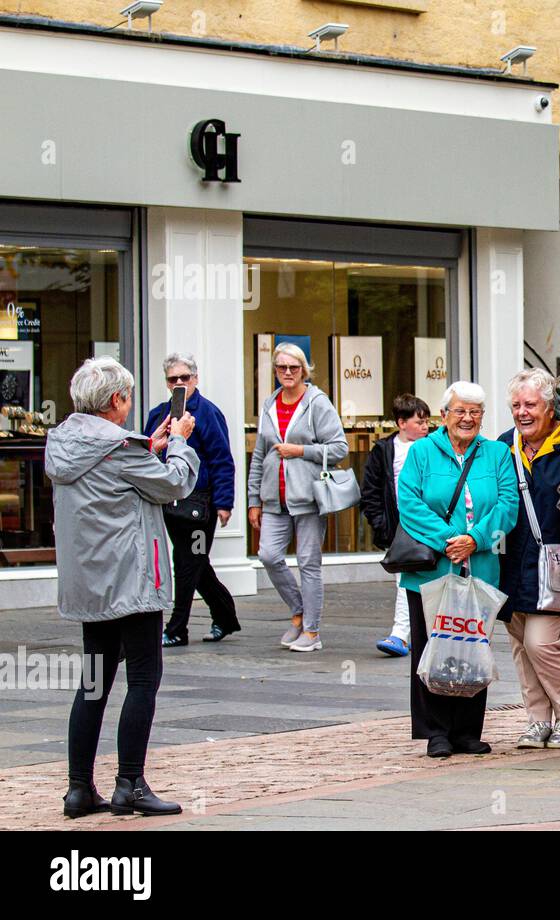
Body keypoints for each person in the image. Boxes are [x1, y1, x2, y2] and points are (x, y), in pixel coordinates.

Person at [47, 357, 198, 817]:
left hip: (91, 584)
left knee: (93, 684)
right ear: (116, 400)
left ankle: (78, 788)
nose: (130, 405)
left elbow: (119, 475)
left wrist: (146, 448)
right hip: (133, 579)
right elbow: (173, 485)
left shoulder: (62, 442)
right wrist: (178, 444)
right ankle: (130, 784)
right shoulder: (122, 447)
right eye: (128, 397)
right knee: (143, 679)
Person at [398, 381, 519, 758]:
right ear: (444, 415)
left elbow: (508, 503)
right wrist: (452, 538)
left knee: (471, 646)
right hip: (432, 570)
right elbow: (409, 503)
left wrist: (477, 539)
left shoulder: (497, 453)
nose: (467, 418)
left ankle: (468, 730)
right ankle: (435, 731)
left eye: (475, 412)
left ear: (483, 417)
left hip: (479, 567)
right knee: (431, 646)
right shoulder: (421, 452)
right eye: (460, 411)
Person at [497, 369, 560, 750]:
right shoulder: (504, 445)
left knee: (539, 643)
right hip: (511, 562)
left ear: (549, 407)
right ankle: (537, 720)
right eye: (516, 405)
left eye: (531, 404)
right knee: (519, 643)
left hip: (556, 561)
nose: (522, 412)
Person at [246, 342, 347, 653]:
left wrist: (300, 451)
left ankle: (312, 632)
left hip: (308, 496)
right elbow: (260, 453)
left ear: (304, 370)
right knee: (268, 555)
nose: (287, 373)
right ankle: (299, 610)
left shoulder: (318, 403)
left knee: (308, 563)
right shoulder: (270, 404)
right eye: (281, 368)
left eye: (293, 368)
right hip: (273, 498)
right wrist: (253, 499)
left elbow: (339, 447)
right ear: (275, 371)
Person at [144, 352, 240, 647]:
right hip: (170, 503)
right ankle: (225, 617)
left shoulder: (207, 413)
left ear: (195, 379)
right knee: (195, 564)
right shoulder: (158, 414)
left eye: (185, 378)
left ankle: (176, 628)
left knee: (189, 563)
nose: (179, 383)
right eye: (173, 379)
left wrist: (224, 503)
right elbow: (147, 454)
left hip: (201, 505)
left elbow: (222, 459)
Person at [361, 393, 432, 658]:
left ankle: (403, 633)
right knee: (406, 578)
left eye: (427, 422)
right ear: (401, 423)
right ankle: (405, 633)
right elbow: (371, 490)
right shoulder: (384, 450)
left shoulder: (433, 447)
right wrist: (382, 525)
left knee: (411, 578)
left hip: (429, 524)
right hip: (399, 528)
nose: (425, 427)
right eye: (419, 422)